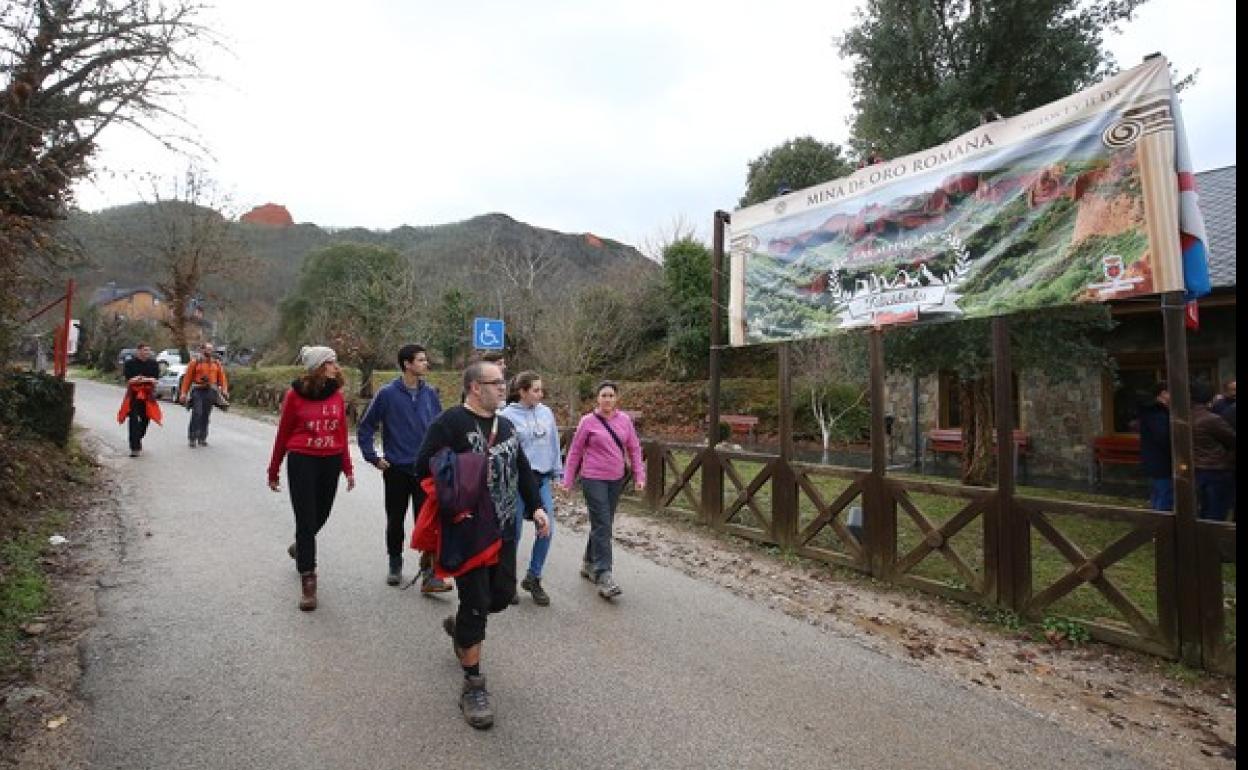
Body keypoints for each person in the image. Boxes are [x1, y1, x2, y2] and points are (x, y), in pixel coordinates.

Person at [415, 360, 549, 729]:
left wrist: (536, 507)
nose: (504, 387)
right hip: (469, 531)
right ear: (476, 387)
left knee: (500, 597)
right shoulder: (449, 423)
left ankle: (462, 628)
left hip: (504, 529)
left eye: (504, 382)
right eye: (497, 382)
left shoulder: (506, 425)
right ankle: (473, 685)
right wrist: (456, 489)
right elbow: (422, 466)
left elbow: (522, 468)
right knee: (476, 603)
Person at [267, 346, 356, 611]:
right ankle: (308, 579)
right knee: (306, 519)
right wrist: (274, 469)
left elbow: (342, 434)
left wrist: (348, 468)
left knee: (322, 514)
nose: (336, 367)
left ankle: (302, 545)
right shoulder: (294, 395)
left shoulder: (337, 395)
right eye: (331, 362)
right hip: (302, 460)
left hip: (330, 460)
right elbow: (283, 433)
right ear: (319, 366)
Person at [356, 343, 448, 590]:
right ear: (407, 364)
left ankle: (429, 571)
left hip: (425, 470)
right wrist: (373, 457)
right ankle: (395, 562)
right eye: (421, 360)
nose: (426, 364)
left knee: (426, 523)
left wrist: (442, 459)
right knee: (395, 520)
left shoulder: (430, 394)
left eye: (425, 359)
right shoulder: (387, 394)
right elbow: (366, 426)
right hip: (396, 469)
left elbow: (440, 428)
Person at [562, 380, 645, 599]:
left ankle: (588, 562)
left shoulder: (624, 420)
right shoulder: (587, 422)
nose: (607, 399)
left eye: (611, 395)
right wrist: (567, 480)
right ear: (597, 399)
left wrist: (639, 475)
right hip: (593, 478)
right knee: (603, 525)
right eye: (604, 395)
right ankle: (604, 575)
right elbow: (575, 452)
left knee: (602, 523)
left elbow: (634, 448)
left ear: (616, 398)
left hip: (615, 479)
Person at [500, 371, 562, 606]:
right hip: (516, 482)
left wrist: (557, 472)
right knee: (513, 533)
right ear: (522, 391)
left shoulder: (546, 412)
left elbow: (554, 442)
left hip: (541, 479)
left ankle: (534, 577)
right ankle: (507, 581)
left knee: (547, 529)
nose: (540, 394)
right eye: (535, 390)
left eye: (541, 389)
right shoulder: (506, 416)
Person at [1190, 381, 1235, 521]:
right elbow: (1232, 438)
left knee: (1204, 509)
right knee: (1216, 511)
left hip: (1198, 468)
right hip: (1216, 469)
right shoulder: (1211, 419)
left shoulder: (1186, 416)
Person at [179, 342, 229, 448]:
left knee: (206, 415)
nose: (210, 351)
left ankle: (202, 437)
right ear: (202, 350)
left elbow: (222, 378)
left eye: (211, 349)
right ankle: (192, 438)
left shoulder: (216, 363)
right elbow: (187, 379)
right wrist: (183, 393)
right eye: (208, 349)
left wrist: (224, 390)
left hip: (211, 391)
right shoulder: (195, 362)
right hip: (198, 390)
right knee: (197, 413)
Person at [119, 343, 161, 457]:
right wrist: (142, 380)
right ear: (138, 351)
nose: (147, 352)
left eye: (148, 350)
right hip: (134, 394)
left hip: (147, 395)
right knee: (133, 419)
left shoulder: (153, 364)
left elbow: (155, 380)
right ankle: (134, 447)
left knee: (146, 419)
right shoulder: (130, 363)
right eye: (144, 350)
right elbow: (129, 380)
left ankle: (137, 437)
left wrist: (143, 379)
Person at [1137, 383, 1172, 511]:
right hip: (1161, 462)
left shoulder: (1157, 411)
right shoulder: (1156, 413)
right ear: (1163, 394)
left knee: (1159, 495)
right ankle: (1160, 522)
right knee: (1163, 497)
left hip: (1157, 461)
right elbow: (1163, 437)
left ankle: (1156, 519)